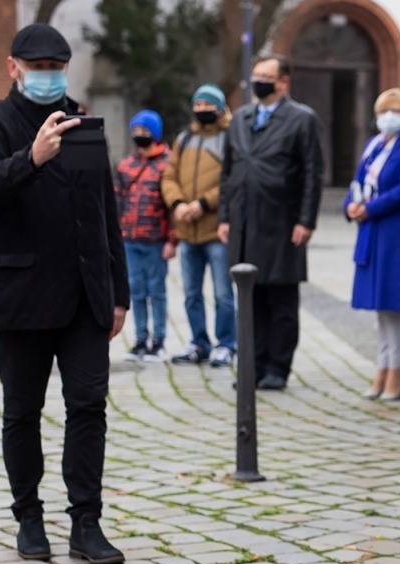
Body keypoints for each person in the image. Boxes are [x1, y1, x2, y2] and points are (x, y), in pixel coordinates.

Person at [0, 23, 129, 564]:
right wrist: (31, 158)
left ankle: (87, 522)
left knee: (88, 407)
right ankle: (28, 517)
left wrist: (119, 292)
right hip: (23, 295)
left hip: (85, 296)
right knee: (22, 411)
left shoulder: (83, 124)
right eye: (37, 70)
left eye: (55, 70)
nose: (47, 79)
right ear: (14, 68)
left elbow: (107, 212)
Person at [218, 55, 325, 390]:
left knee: (280, 301)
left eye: (266, 76)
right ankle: (252, 364)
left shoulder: (301, 119)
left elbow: (312, 173)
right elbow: (227, 173)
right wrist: (224, 217)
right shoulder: (239, 119)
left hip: (282, 222)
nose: (258, 81)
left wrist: (305, 220)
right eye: (255, 75)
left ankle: (277, 367)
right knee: (251, 300)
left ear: (283, 82)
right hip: (244, 222)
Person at [345, 88, 400, 401]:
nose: (388, 116)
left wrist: (370, 208)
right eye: (383, 111)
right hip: (372, 232)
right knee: (380, 307)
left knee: (393, 305)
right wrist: (350, 207)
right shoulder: (373, 145)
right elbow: (357, 182)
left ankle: (395, 373)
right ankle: (381, 368)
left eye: (395, 110)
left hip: (395, 233)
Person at [164, 84, 236, 368]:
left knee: (222, 293)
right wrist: (178, 203)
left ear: (219, 108)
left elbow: (233, 179)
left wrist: (203, 204)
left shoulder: (229, 138)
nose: (203, 110)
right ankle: (198, 342)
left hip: (215, 229)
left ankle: (226, 344)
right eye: (199, 105)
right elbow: (168, 176)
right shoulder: (184, 139)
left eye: (209, 105)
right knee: (191, 293)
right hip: (186, 230)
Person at [115, 110, 176, 361]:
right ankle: (140, 339)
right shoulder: (125, 165)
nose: (140, 135)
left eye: (145, 131)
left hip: (156, 240)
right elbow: (116, 200)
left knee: (157, 291)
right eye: (136, 131)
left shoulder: (168, 164)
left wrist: (172, 240)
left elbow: (172, 206)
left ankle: (158, 341)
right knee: (135, 291)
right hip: (129, 239)